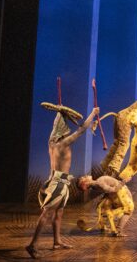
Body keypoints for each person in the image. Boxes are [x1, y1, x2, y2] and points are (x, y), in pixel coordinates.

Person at [26, 103, 98, 259]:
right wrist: (93, 114)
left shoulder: (51, 143)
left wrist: (63, 114)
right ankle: (33, 245)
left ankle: (57, 241)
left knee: (59, 213)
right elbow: (82, 129)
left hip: (58, 180)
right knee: (46, 214)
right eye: (65, 126)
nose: (68, 130)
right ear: (62, 130)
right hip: (58, 183)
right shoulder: (63, 143)